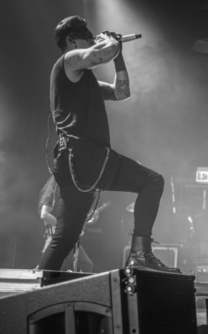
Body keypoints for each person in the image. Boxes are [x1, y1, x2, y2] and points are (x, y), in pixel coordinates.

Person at [38, 16, 179, 273]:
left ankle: (41, 289)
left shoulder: (84, 80)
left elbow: (121, 92)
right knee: (152, 181)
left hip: (74, 161)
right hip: (85, 156)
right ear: (72, 40)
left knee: (65, 237)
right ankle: (140, 253)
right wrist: (110, 42)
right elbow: (100, 54)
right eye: (88, 37)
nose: (92, 40)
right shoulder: (68, 60)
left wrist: (119, 56)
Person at [38, 174, 94, 272]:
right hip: (55, 237)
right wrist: (66, 227)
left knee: (86, 265)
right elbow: (44, 214)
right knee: (49, 269)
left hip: (68, 237)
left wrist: (90, 218)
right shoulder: (53, 194)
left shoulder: (67, 196)